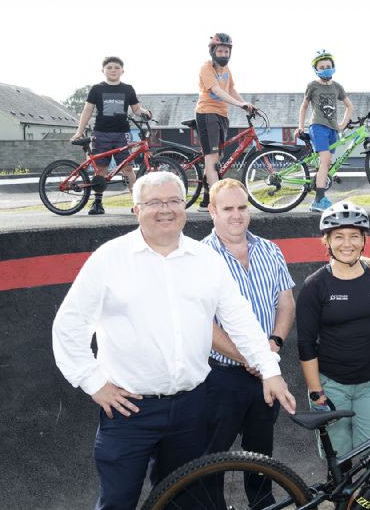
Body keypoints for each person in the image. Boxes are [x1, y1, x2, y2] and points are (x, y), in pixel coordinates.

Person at [52, 171, 295, 510]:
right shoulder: (111, 258)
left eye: (173, 201)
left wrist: (270, 369)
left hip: (191, 409)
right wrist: (93, 383)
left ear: (185, 206)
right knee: (118, 502)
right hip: (130, 410)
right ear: (136, 210)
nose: (164, 209)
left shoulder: (205, 261)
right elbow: (69, 326)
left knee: (187, 501)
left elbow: (240, 320)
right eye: (153, 202)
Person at [201, 178, 296, 508]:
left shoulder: (270, 249)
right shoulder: (198, 257)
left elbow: (286, 302)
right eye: (227, 208)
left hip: (265, 375)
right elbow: (204, 324)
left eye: (242, 207)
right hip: (221, 377)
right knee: (211, 459)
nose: (236, 215)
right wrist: (249, 358)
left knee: (261, 459)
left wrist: (274, 343)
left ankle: (262, 506)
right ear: (212, 211)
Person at [296, 201, 370, 458]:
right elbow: (306, 344)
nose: (347, 244)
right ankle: (342, 500)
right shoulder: (315, 285)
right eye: (339, 237)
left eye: (354, 236)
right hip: (330, 385)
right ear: (327, 241)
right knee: (339, 463)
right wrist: (317, 393)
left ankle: (365, 501)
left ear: (364, 239)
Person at [71, 56, 152, 216]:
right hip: (101, 133)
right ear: (103, 71)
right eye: (109, 67)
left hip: (123, 134)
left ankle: (137, 204)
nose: (113, 70)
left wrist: (145, 113)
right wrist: (79, 131)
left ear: (122, 71)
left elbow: (136, 109)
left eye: (116, 67)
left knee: (128, 169)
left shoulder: (128, 89)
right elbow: (87, 110)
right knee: (101, 169)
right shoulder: (97, 89)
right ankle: (97, 203)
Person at [195, 33, 256, 211]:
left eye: (226, 51)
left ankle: (207, 200)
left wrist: (244, 104)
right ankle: (217, 204)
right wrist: (239, 103)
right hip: (207, 113)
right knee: (212, 158)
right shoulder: (206, 68)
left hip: (222, 114)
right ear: (213, 51)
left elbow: (231, 89)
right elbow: (216, 90)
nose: (223, 54)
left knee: (217, 158)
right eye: (220, 51)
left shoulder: (226, 70)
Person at [295, 49, 354, 213]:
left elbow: (350, 106)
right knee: (326, 160)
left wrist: (342, 124)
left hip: (333, 130)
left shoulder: (337, 87)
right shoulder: (312, 86)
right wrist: (300, 126)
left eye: (328, 65)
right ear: (316, 69)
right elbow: (304, 107)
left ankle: (320, 195)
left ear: (333, 66)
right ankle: (318, 200)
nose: (325, 68)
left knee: (325, 164)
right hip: (318, 126)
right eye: (322, 67)